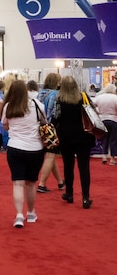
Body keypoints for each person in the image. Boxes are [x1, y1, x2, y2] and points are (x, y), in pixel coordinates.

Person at [1, 79, 45, 228]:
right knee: (31, 183)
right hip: (36, 148)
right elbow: (44, 122)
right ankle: (31, 213)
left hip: (15, 147)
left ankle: (19, 215)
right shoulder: (38, 105)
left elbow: (5, 126)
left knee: (18, 183)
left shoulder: (9, 106)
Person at [51, 76, 95, 208]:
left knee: (68, 165)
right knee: (84, 167)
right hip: (83, 136)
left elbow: (55, 117)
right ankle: (86, 198)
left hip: (66, 136)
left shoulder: (59, 100)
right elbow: (92, 112)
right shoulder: (83, 96)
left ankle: (69, 194)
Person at [36, 72, 64, 193]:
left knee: (49, 155)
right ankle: (42, 184)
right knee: (50, 155)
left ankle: (60, 182)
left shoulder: (39, 94)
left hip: (39, 126)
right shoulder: (56, 94)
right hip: (50, 128)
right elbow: (53, 113)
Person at [94, 83, 117, 163]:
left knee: (104, 139)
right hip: (114, 120)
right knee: (113, 140)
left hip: (102, 120)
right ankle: (112, 159)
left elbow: (92, 105)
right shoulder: (115, 98)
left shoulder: (99, 97)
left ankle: (104, 157)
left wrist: (97, 113)